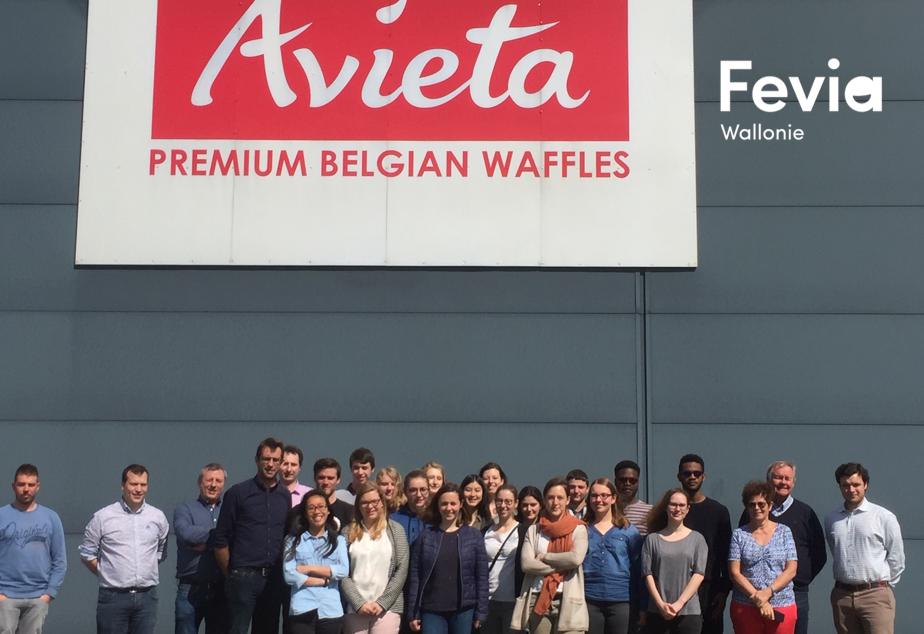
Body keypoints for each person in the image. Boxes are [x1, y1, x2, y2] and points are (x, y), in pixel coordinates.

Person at [736, 462, 826, 634]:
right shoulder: (753, 511)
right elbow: (741, 548)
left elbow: (819, 553)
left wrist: (801, 578)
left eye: (787, 478)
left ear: (793, 482)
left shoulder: (805, 513)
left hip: (794, 594)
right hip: (755, 595)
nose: (783, 482)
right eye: (778, 477)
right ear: (768, 480)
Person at [79, 464, 169, 634]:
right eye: (133, 484)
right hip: (113, 598)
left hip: (147, 598)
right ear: (123, 485)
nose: (138, 489)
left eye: (143, 484)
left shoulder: (158, 517)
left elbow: (160, 553)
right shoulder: (103, 517)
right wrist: (107, 573)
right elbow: (87, 554)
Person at [213, 437, 291, 634]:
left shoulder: (284, 495)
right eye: (266, 459)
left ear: (281, 463)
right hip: (243, 577)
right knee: (237, 629)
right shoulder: (238, 493)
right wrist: (231, 574)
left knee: (268, 629)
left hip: (273, 578)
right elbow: (220, 539)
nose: (270, 464)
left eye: (275, 460)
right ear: (257, 460)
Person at [824, 462, 904, 634]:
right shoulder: (832, 518)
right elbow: (836, 552)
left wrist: (882, 587)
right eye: (845, 485)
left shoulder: (883, 516)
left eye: (856, 484)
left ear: (865, 484)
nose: (851, 489)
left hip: (875, 595)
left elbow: (896, 557)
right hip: (842, 596)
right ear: (840, 486)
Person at [405, 482, 488, 634]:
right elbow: (415, 576)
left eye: (453, 503)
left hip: (463, 610)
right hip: (431, 609)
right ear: (438, 505)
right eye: (444, 504)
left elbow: (482, 577)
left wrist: (481, 611)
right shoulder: (426, 537)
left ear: (460, 504)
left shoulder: (473, 536)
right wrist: (413, 612)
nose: (449, 508)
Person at [512, 477, 588, 634]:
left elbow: (576, 559)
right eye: (551, 497)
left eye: (560, 497)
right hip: (538, 597)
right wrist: (563, 565)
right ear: (545, 501)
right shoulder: (534, 530)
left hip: (568, 598)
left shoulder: (578, 528)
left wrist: (546, 556)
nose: (555, 502)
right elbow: (527, 564)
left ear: (568, 500)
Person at [0, 464, 66, 634]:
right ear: (13, 486)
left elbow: (59, 560)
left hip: (38, 596)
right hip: (6, 595)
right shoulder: (2, 516)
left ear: (38, 486)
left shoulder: (51, 518)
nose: (26, 489)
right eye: (21, 484)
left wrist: (48, 594)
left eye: (30, 484)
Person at [728, 481, 797, 634]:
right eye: (752, 504)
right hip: (746, 606)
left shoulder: (784, 532)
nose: (757, 508)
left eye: (761, 504)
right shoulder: (739, 535)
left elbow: (791, 569)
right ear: (746, 507)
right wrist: (758, 599)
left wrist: (768, 592)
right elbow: (735, 572)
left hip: (782, 604)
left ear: (770, 505)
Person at [341, 482, 409, 634]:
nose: (370, 506)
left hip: (387, 609)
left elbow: (401, 570)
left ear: (382, 502)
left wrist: (382, 603)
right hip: (355, 609)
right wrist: (359, 603)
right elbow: (342, 573)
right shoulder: (347, 532)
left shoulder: (395, 530)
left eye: (374, 501)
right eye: (364, 502)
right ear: (358, 506)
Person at [677, 454, 730, 634]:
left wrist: (723, 592)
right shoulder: (672, 510)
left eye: (697, 473)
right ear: (679, 477)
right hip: (676, 588)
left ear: (703, 476)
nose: (692, 477)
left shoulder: (718, 512)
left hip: (709, 590)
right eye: (687, 473)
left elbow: (725, 554)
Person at [283, 490, 349, 634]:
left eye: (321, 506)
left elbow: (343, 570)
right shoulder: (292, 540)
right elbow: (289, 575)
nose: (317, 511)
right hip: (302, 607)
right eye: (311, 508)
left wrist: (308, 569)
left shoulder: (339, 541)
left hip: (330, 610)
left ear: (328, 511)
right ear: (305, 513)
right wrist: (322, 581)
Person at [641, 489, 707, 634]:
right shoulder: (652, 539)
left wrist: (679, 604)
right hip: (657, 612)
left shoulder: (697, 539)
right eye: (673, 504)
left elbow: (698, 574)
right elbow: (647, 574)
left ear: (688, 509)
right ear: (666, 507)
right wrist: (660, 604)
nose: (677, 509)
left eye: (682, 505)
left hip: (688, 613)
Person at [174, 462, 229, 634]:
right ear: (200, 482)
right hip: (191, 589)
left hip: (221, 588)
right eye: (209, 480)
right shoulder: (185, 509)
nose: (213, 485)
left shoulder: (229, 510)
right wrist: (219, 537)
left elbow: (238, 538)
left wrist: (204, 543)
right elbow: (185, 534)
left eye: (218, 481)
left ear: (223, 484)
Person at [583, 478, 642, 634]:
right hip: (589, 598)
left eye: (604, 495)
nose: (599, 500)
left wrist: (642, 605)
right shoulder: (582, 529)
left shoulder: (628, 530)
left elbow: (638, 568)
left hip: (621, 599)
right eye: (594, 496)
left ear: (613, 498)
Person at [483, 484, 520, 634]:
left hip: (513, 601)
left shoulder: (523, 531)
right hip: (488, 600)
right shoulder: (486, 531)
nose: (503, 505)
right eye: (499, 501)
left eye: (508, 501)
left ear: (516, 503)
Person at [513, 486, 542, 600]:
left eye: (533, 505)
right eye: (525, 505)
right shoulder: (514, 527)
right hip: (515, 584)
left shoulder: (545, 528)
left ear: (540, 505)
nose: (529, 509)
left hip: (538, 585)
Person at [314, 458, 355, 529]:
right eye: (321, 478)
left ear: (338, 480)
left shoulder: (350, 512)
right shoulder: (303, 510)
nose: (326, 482)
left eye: (330, 478)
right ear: (315, 478)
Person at [613, 461, 651, 537]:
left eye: (632, 480)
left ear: (638, 483)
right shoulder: (606, 509)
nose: (627, 483)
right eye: (623, 480)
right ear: (615, 482)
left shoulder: (649, 511)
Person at [392, 470, 429, 547]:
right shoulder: (393, 520)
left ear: (429, 491)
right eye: (413, 490)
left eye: (423, 489)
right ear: (405, 492)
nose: (419, 495)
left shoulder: (435, 520)